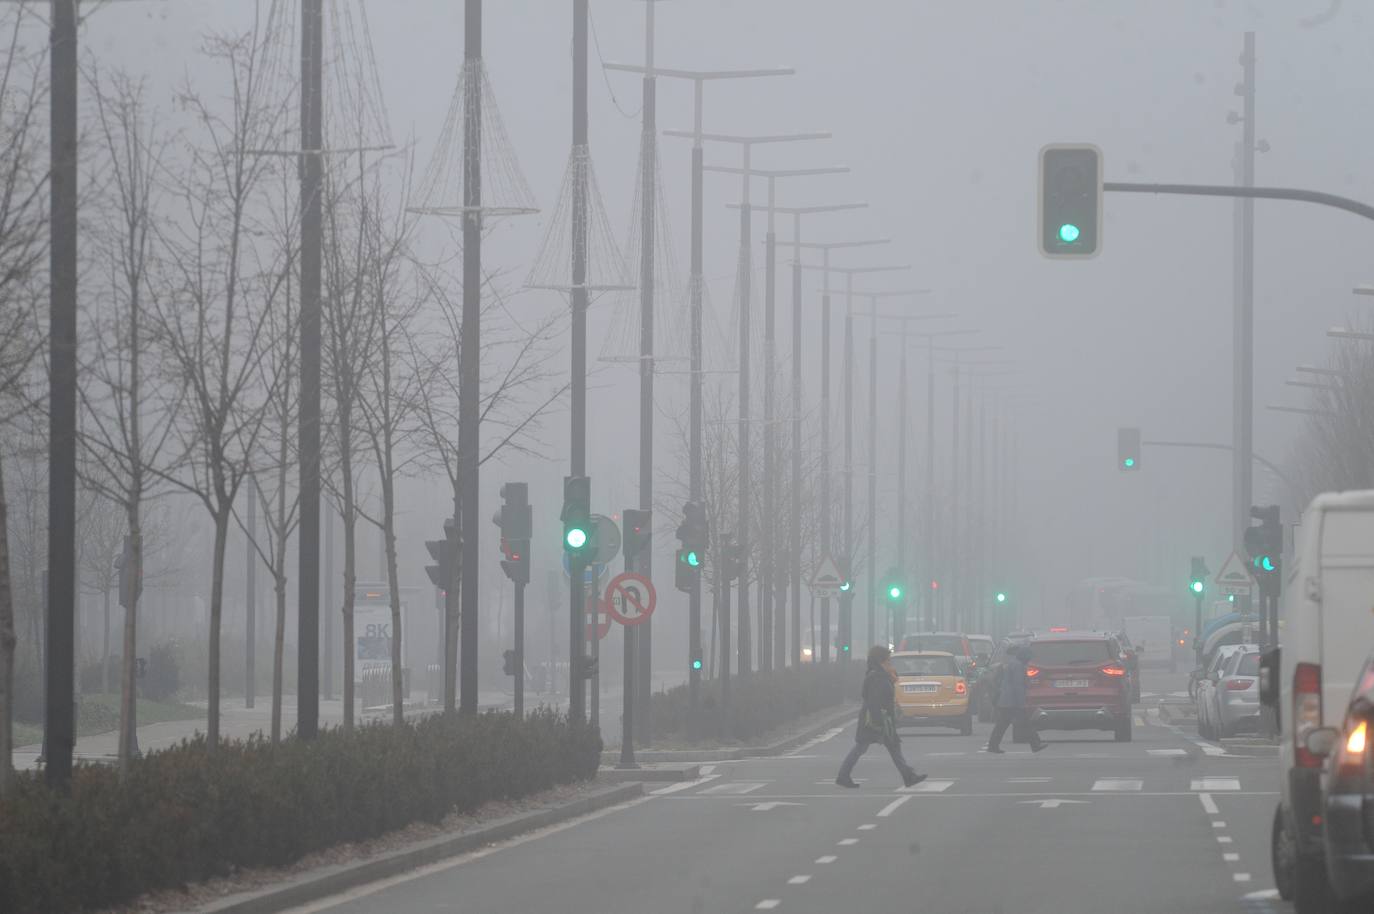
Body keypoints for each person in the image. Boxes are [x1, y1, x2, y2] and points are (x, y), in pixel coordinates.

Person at [836, 645, 928, 788]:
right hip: (876, 720)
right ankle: (843, 776)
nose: (890, 662)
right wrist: (879, 722)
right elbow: (874, 700)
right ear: (881, 660)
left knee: (890, 747)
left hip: (881, 719)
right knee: (862, 747)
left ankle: (909, 776)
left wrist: (890, 677)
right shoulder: (877, 676)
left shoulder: (879, 674)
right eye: (888, 659)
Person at [987, 644, 1047, 754]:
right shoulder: (1018, 666)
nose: (1029, 660)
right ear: (1024, 656)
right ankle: (1035, 744)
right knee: (1025, 723)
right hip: (1013, 702)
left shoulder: (1014, 663)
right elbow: (1018, 686)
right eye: (1028, 657)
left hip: (1006, 701)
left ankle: (992, 746)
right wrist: (1021, 703)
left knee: (1002, 725)